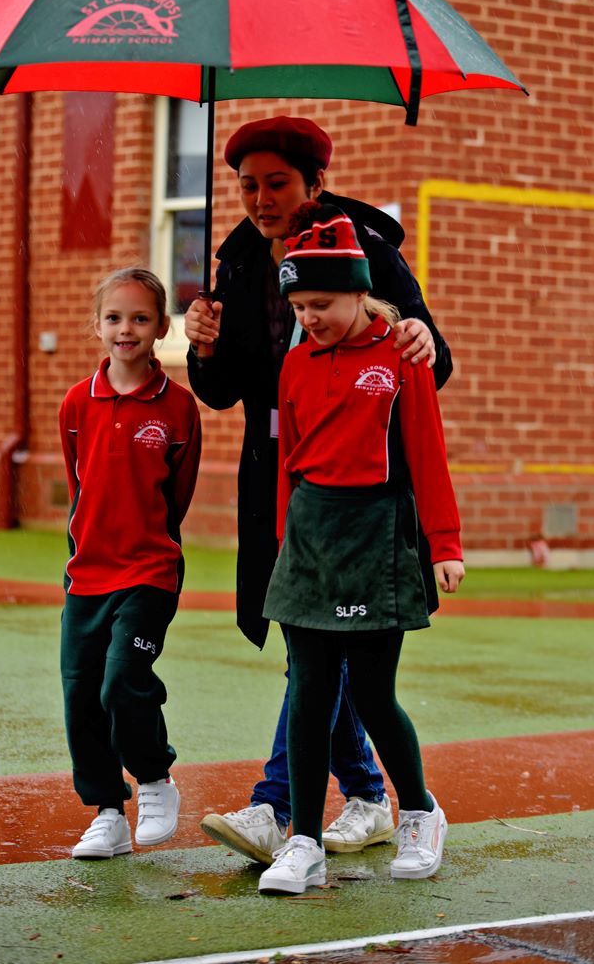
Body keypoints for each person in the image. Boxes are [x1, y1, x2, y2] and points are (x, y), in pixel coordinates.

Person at [185, 116, 452, 864]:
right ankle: (366, 793)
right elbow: (223, 388)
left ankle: (279, 804)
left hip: (365, 487)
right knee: (311, 640)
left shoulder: (367, 250)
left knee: (320, 653)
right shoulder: (235, 263)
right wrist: (204, 347)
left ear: (313, 184)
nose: (260, 198)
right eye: (247, 185)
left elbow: (429, 356)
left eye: (276, 183)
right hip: (280, 477)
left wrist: (423, 340)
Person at [257, 202, 464, 895]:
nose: (308, 317)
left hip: (378, 530)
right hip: (309, 538)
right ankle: (304, 842)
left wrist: (445, 542)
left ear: (358, 290)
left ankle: (421, 813)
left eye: (321, 303)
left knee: (374, 693)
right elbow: (289, 463)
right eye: (299, 305)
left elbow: (427, 455)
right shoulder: (294, 365)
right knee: (310, 693)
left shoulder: (403, 352)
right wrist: (288, 546)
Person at [59, 266, 201, 859]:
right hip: (87, 576)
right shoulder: (75, 404)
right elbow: (78, 482)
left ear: (161, 328)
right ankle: (108, 813)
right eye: (115, 318)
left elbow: (179, 495)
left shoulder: (178, 408)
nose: (126, 329)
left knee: (123, 682)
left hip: (149, 571)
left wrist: (148, 543)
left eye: (140, 318)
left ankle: (154, 776)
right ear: (97, 325)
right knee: (81, 695)